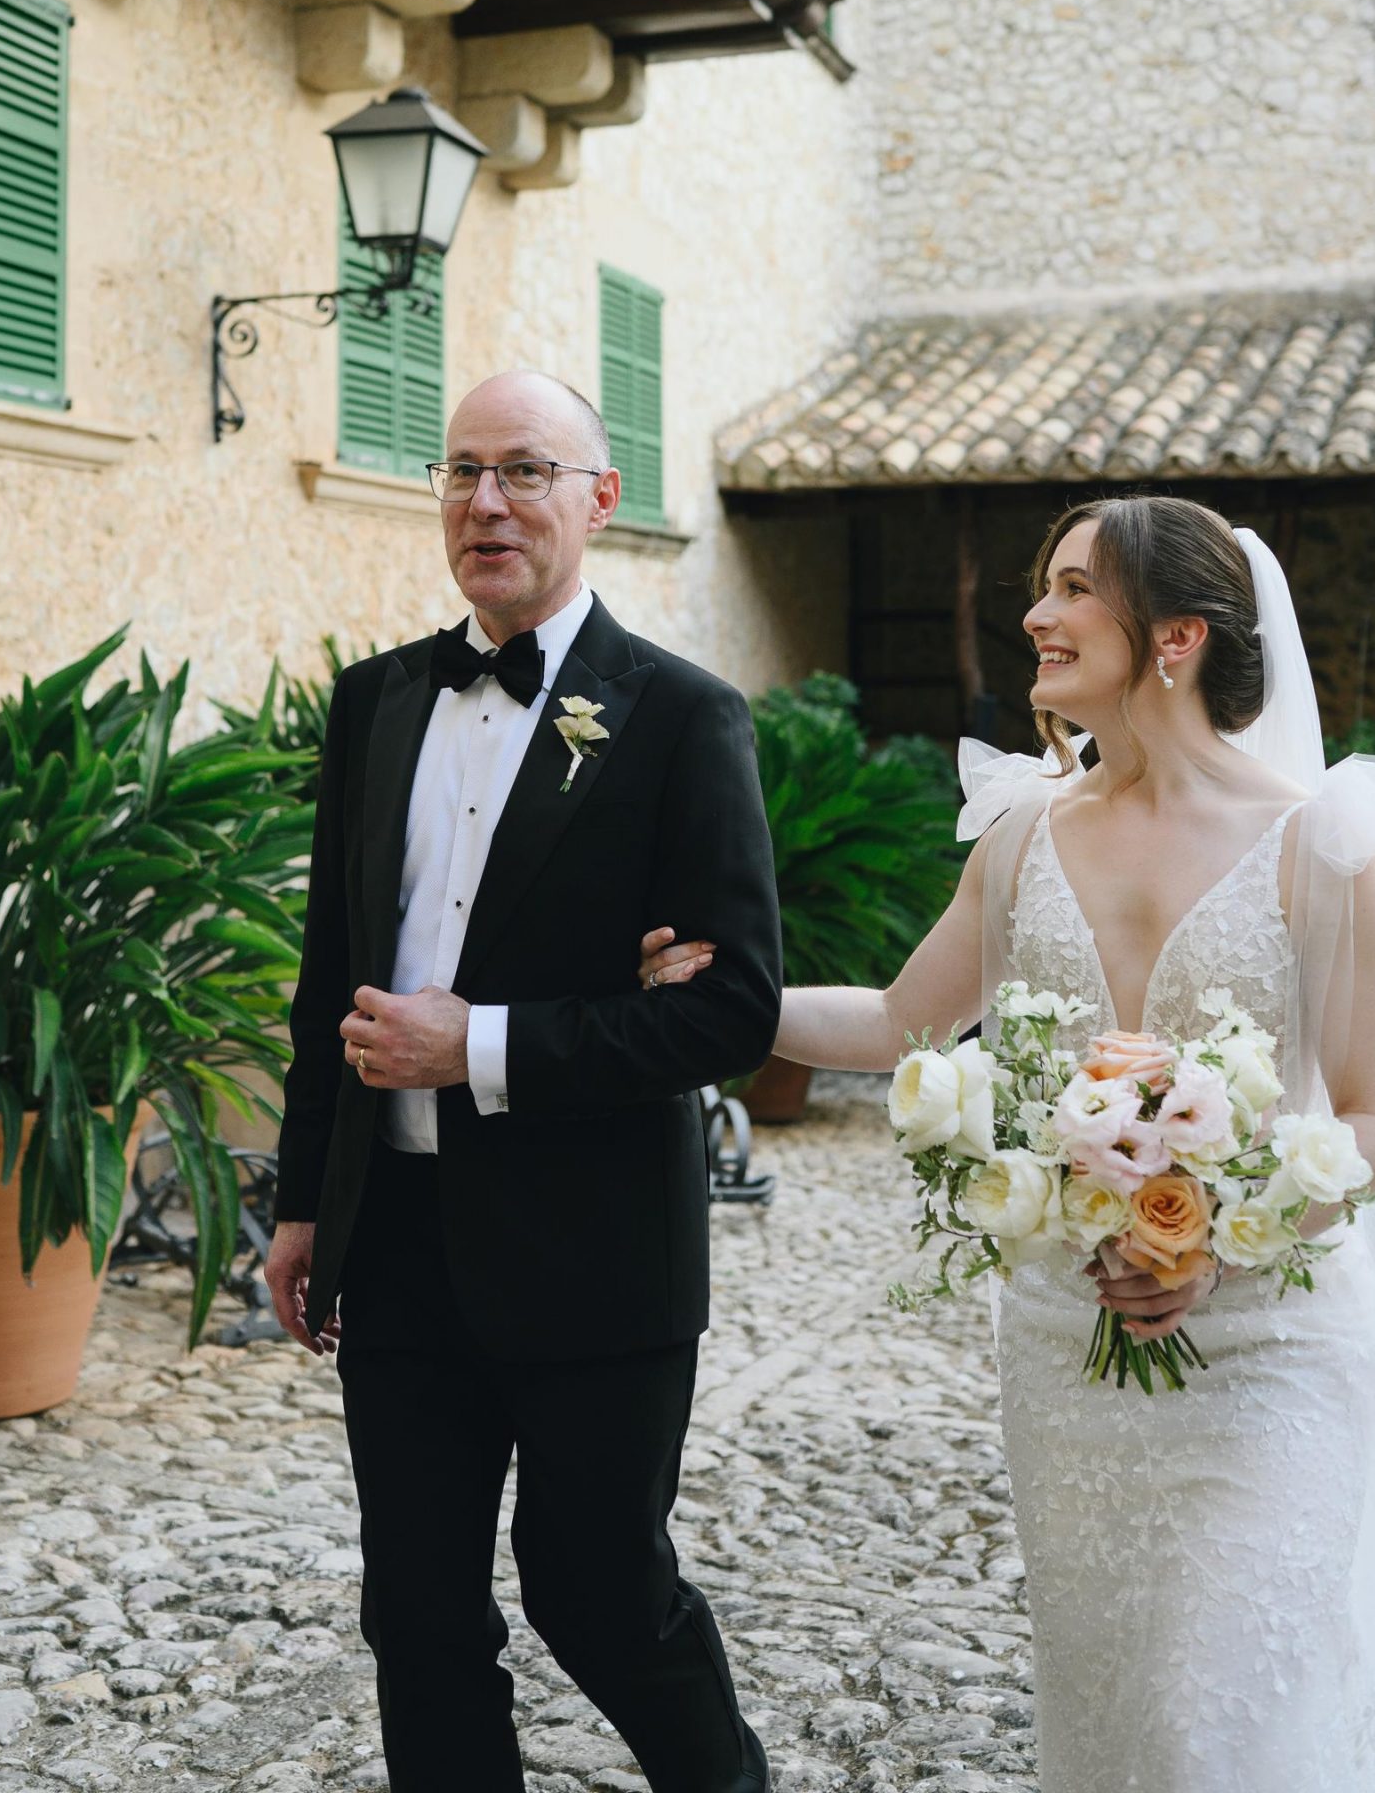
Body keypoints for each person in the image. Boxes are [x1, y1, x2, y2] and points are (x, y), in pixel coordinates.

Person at [643, 495, 1375, 1793]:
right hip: (1070, 1355)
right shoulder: (1024, 829)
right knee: (1115, 1708)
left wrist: (1229, 1238)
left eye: (1074, 589)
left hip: (1269, 1357)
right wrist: (719, 998)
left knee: (1209, 1721)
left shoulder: (1325, 842)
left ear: (1174, 636)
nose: (1036, 614)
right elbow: (906, 1016)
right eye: (1044, 585)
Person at [265, 369, 781, 1793]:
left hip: (595, 1253)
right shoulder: (373, 703)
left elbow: (732, 1009)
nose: (485, 501)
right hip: (403, 1243)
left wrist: (479, 1045)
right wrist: (307, 1199)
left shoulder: (683, 719)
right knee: (416, 1613)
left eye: (526, 471)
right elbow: (331, 982)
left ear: (598, 500)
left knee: (603, 1597)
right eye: (461, 471)